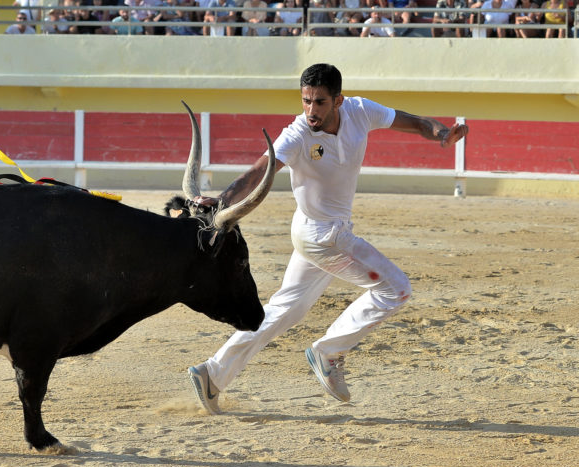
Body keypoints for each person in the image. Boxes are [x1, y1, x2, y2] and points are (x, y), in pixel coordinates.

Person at [186, 63, 468, 415]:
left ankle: (213, 373)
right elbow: (259, 170)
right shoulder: (297, 134)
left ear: (339, 101)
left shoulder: (361, 111)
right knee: (396, 289)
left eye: (319, 102)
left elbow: (411, 121)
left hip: (317, 234)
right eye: (305, 101)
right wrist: (223, 202)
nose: (310, 111)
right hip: (324, 236)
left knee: (283, 310)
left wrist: (440, 131)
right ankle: (329, 352)